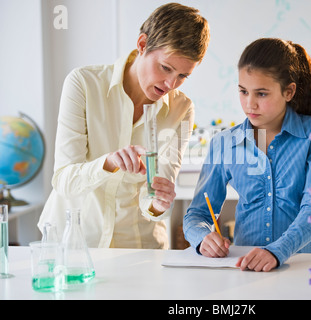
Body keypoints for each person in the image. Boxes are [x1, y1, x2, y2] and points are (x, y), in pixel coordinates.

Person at [38, 3, 210, 249]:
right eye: (166, 68)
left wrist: (158, 203)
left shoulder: (181, 109)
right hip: (74, 243)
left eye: (183, 76)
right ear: (142, 44)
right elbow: (64, 180)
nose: (172, 83)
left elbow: (156, 196)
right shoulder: (84, 84)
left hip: (138, 249)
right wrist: (108, 163)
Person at [183, 38, 311, 272]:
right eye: (243, 91)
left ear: (289, 91)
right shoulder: (224, 144)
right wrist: (203, 238)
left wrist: (277, 251)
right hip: (247, 268)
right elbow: (197, 214)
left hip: (302, 269)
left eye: (261, 94)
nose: (249, 104)